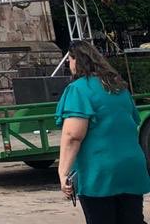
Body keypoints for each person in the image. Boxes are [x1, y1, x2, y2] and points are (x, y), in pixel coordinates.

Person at [57, 39, 150, 223]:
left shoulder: (78, 89)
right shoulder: (119, 87)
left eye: (70, 59)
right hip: (130, 166)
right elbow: (133, 121)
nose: (68, 63)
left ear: (77, 60)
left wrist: (63, 172)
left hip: (99, 171)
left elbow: (73, 136)